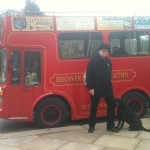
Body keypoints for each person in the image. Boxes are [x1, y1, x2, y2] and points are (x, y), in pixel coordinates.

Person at [86, 44, 119, 133]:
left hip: (107, 88)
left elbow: (109, 73)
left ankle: (110, 126)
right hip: (96, 88)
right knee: (94, 107)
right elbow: (89, 75)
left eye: (107, 51)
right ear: (99, 51)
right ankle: (91, 126)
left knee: (112, 106)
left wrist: (110, 85)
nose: (105, 52)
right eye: (103, 51)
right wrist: (90, 88)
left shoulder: (108, 61)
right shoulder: (93, 61)